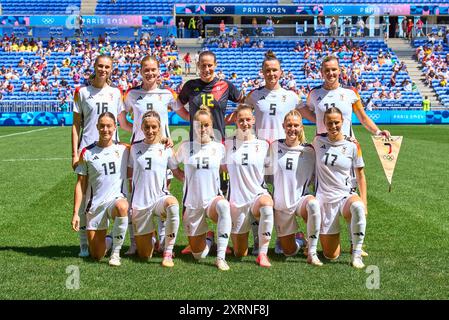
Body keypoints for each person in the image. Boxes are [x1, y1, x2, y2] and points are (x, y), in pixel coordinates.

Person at [298, 55, 390, 256]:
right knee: (322, 195)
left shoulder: (350, 93)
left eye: (334, 70)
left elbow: (363, 118)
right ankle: (315, 238)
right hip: (323, 150)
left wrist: (377, 132)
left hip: (347, 149)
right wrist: (317, 121)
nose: (330, 73)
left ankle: (355, 242)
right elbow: (307, 110)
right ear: (321, 72)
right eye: (327, 70)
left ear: (340, 71)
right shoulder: (314, 94)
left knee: (350, 192)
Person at [71, 54, 132, 257]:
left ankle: (112, 244)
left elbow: (122, 123)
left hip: (109, 149)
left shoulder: (116, 92)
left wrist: (140, 140)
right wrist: (74, 153)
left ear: (111, 69)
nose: (103, 70)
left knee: (113, 195)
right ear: (94, 66)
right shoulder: (82, 92)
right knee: (86, 197)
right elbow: (75, 125)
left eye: (107, 67)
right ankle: (83, 246)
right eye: (100, 66)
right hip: (87, 151)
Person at [123, 55, 180, 255]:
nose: (150, 73)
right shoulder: (132, 94)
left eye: (153, 69)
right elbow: (123, 121)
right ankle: (135, 242)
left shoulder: (167, 94)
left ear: (159, 71)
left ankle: (164, 240)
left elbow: (185, 114)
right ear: (140, 71)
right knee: (134, 197)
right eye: (146, 69)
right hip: (138, 153)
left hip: (161, 151)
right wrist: (135, 134)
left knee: (163, 193)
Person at [169, 106, 232, 271]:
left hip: (212, 200)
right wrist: (183, 177)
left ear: (211, 126)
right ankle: (209, 238)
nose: (202, 128)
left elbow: (227, 169)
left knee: (224, 206)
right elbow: (173, 165)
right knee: (198, 255)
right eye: (199, 125)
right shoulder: (185, 147)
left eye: (206, 125)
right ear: (193, 126)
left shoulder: (219, 148)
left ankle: (220, 257)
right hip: (192, 203)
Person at [71, 112, 129, 266]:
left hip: (114, 202)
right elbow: (80, 184)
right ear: (97, 127)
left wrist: (164, 140)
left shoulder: (124, 149)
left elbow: (146, 146)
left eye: (109, 126)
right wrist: (76, 213)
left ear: (115, 127)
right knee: (96, 255)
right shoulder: (87, 152)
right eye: (102, 126)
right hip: (95, 207)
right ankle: (109, 240)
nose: (105, 129)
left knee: (123, 206)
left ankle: (116, 254)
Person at [312, 107, 367, 269]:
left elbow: (361, 175)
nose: (333, 126)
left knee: (357, 206)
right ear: (324, 123)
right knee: (331, 255)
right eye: (330, 123)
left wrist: (364, 201)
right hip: (325, 199)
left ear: (343, 122)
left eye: (336, 122)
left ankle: (356, 254)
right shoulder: (317, 141)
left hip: (345, 196)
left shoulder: (352, 145)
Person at [128, 111, 181, 267]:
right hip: (140, 204)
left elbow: (177, 172)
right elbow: (128, 173)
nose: (150, 131)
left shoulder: (166, 149)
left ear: (159, 128)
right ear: (141, 128)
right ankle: (152, 237)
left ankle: (168, 252)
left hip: (159, 198)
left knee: (172, 204)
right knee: (145, 255)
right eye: (147, 127)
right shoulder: (134, 148)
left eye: (154, 127)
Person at [270, 110, 322, 266]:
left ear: (301, 127)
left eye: (296, 125)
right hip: (281, 204)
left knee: (313, 204)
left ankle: (312, 252)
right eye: (289, 125)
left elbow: (318, 177)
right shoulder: (273, 146)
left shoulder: (310, 151)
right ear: (283, 126)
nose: (292, 129)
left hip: (301, 199)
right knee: (289, 251)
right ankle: (299, 239)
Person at [224, 104, 274, 267]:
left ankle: (262, 253)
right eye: (241, 120)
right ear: (235, 121)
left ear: (253, 120)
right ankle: (211, 237)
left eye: (247, 119)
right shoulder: (227, 143)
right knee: (240, 253)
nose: (244, 123)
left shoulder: (264, 144)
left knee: (267, 205)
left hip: (258, 195)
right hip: (237, 200)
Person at [244, 50, 302, 142]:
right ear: (262, 72)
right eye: (267, 70)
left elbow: (313, 116)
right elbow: (241, 118)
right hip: (261, 148)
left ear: (281, 72)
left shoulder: (292, 96)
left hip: (284, 148)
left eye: (274, 70)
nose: (271, 74)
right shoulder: (253, 95)